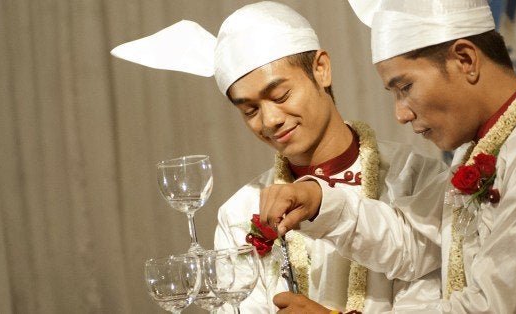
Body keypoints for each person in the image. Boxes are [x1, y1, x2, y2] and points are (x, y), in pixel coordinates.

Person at [110, 2, 448, 313]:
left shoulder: (415, 177)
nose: (269, 120)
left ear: (321, 69)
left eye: (280, 95)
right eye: (250, 110)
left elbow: (433, 299)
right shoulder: (241, 212)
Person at [261, 0, 516, 313]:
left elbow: (490, 307)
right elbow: (412, 237)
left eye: (405, 87)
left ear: (466, 59)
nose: (400, 114)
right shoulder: (478, 149)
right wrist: (320, 202)